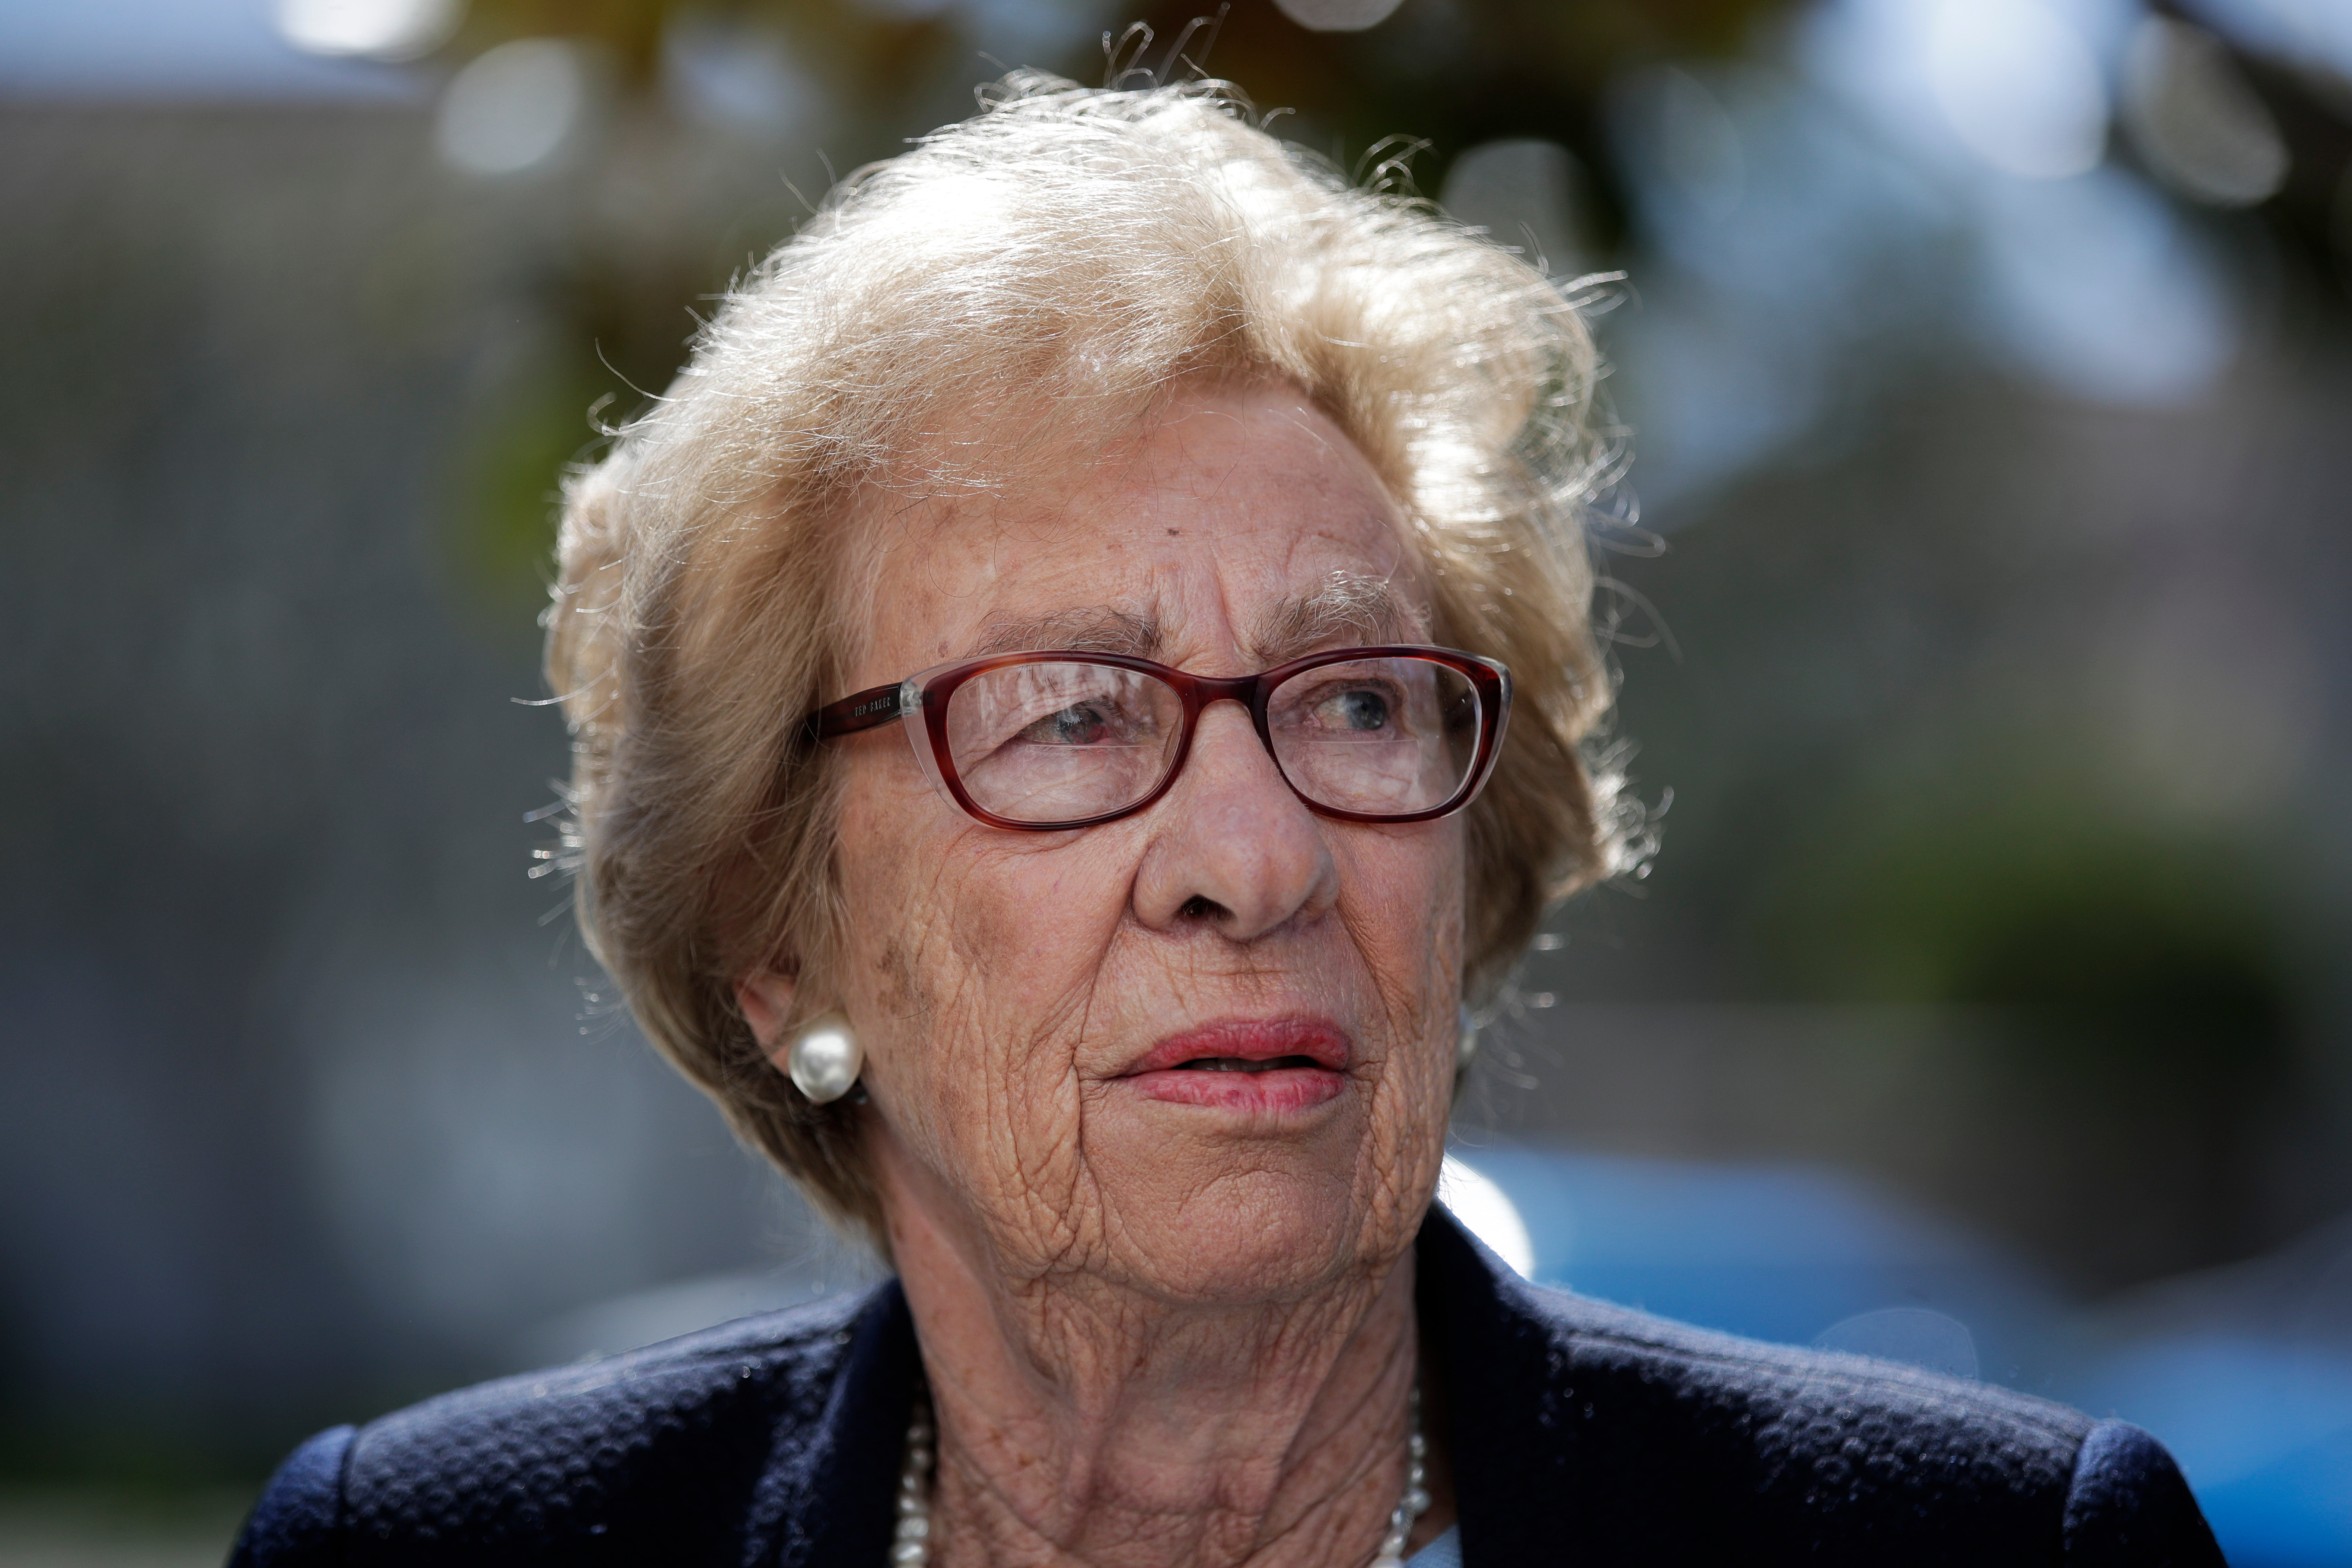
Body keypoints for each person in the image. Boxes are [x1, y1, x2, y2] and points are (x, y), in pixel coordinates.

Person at [229, 74, 2222, 1567]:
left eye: (1354, 700)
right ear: (781, 929)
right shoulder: (420, 1551)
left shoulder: (1992, 1549)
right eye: (1072, 714)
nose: (1255, 857)